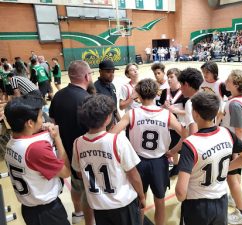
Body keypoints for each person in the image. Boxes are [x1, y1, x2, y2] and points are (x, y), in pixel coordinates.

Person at [175, 92, 242, 225]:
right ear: (216, 112)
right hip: (221, 202)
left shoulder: (190, 144)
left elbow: (180, 193)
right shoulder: (227, 133)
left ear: (195, 114)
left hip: (197, 205)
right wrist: (224, 169)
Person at [111, 78, 183, 225]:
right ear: (157, 93)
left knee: (140, 200)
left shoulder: (131, 114)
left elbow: (112, 134)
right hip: (159, 162)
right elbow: (186, 134)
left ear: (138, 95)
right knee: (160, 201)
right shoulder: (167, 114)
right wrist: (173, 150)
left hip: (137, 162)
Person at [72, 94, 145, 225]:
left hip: (98, 205)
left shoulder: (77, 143)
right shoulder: (118, 140)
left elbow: (79, 173)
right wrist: (142, 195)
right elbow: (133, 174)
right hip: (123, 205)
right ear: (108, 118)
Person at [4, 94, 71, 225]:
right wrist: (57, 138)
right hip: (47, 214)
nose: (42, 120)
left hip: (29, 208)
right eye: (41, 116)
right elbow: (66, 172)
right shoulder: (36, 150)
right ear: (29, 123)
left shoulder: (11, 142)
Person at [49, 60, 94, 225]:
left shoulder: (58, 96)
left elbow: (53, 122)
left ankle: (77, 213)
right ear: (86, 76)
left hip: (65, 152)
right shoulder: (87, 99)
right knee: (89, 192)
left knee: (76, 186)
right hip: (85, 154)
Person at [220, 70, 242, 224]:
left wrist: (235, 152)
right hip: (236, 145)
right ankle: (234, 199)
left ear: (236, 84)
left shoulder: (234, 104)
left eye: (229, 79)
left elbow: (239, 130)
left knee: (231, 179)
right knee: (234, 179)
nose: (226, 81)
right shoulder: (235, 99)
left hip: (235, 146)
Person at [159, 68, 187, 177]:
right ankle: (175, 165)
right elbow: (160, 107)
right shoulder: (165, 91)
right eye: (168, 77)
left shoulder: (184, 92)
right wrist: (163, 107)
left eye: (172, 77)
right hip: (167, 125)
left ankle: (183, 167)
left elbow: (189, 112)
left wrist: (176, 110)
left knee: (181, 148)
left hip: (181, 126)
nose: (169, 79)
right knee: (171, 146)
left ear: (178, 78)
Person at [94, 60, 121, 130]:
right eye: (108, 72)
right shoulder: (94, 88)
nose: (111, 74)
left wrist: (121, 123)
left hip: (113, 126)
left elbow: (115, 109)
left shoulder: (112, 86)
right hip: (102, 129)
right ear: (100, 72)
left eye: (113, 72)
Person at [178, 67, 203, 135]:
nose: (180, 88)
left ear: (186, 84)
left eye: (181, 85)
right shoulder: (208, 98)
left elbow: (193, 133)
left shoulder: (191, 103)